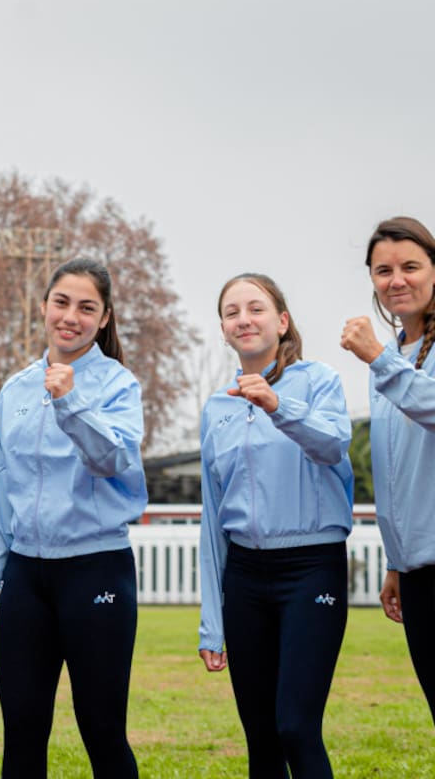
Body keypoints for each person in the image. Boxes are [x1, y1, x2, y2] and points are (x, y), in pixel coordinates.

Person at [0, 257, 145, 778]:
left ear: (105, 318)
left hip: (96, 570)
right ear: (44, 307)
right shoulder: (15, 390)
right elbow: (1, 485)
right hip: (25, 576)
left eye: (86, 307)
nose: (71, 316)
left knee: (101, 727)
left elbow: (113, 460)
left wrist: (71, 403)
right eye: (62, 303)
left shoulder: (118, 386)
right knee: (22, 729)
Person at [199, 273, 352, 778]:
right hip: (245, 577)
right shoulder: (217, 408)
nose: (244, 318)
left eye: (256, 308)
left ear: (282, 322)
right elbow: (212, 519)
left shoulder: (319, 382)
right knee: (261, 738)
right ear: (223, 329)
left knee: (295, 726)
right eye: (232, 312)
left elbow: (332, 445)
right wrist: (211, 621)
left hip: (311, 568)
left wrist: (276, 404)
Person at [341, 216, 435, 723]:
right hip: (419, 570)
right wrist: (397, 561)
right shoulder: (395, 355)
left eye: (411, 266)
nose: (397, 279)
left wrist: (377, 357)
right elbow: (395, 470)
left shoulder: (385, 361)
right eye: (384, 270)